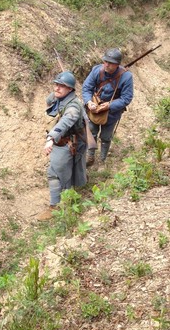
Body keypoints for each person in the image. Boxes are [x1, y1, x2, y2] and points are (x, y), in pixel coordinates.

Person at [37, 71, 87, 221]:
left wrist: (51, 138)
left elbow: (66, 122)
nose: (57, 88)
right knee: (56, 173)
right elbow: (50, 100)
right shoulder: (62, 98)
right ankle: (59, 204)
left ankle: (61, 207)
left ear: (70, 89)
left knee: (62, 177)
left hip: (68, 143)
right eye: (56, 84)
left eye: (62, 86)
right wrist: (60, 90)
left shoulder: (73, 107)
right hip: (64, 142)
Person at [82, 48, 134, 166]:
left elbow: (126, 98)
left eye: (110, 63)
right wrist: (89, 102)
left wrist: (110, 106)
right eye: (105, 61)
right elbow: (86, 88)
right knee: (91, 132)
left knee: (106, 136)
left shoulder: (126, 77)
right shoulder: (97, 70)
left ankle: (102, 160)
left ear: (117, 64)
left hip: (111, 112)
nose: (106, 64)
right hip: (94, 109)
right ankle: (90, 157)